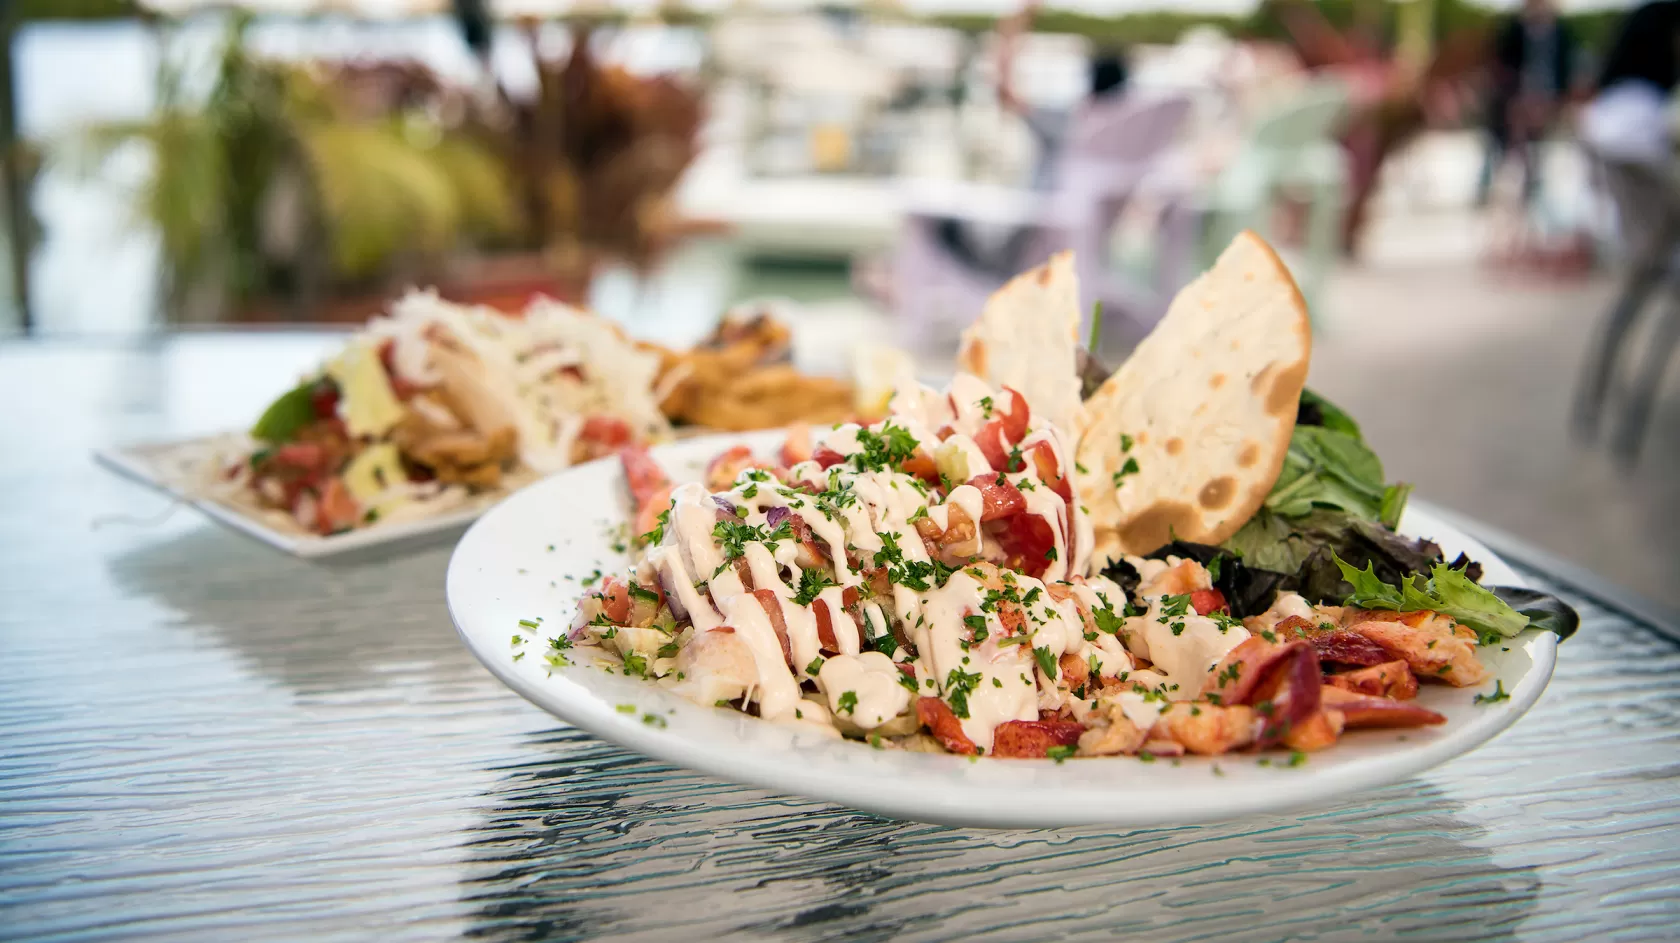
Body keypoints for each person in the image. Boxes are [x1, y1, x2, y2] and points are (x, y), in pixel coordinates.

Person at [933, 34, 1130, 279]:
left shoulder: (1068, 123)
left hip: (1024, 252)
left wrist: (1011, 32)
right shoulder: (1133, 140)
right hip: (1081, 255)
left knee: (937, 221)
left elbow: (1006, 93)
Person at [1477, 0, 1576, 206]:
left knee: (1535, 148)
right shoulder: (1514, 29)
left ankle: (1531, 188)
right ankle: (1486, 187)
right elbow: (1500, 65)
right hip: (1513, 98)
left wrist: (1556, 98)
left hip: (1546, 97)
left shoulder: (1560, 33)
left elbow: (1565, 69)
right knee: (1498, 146)